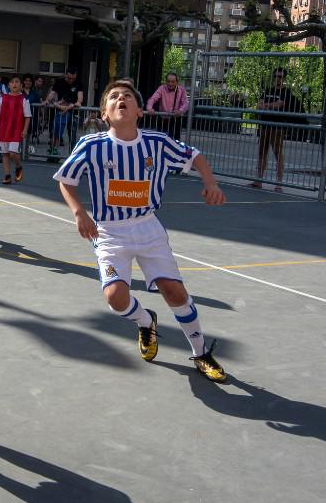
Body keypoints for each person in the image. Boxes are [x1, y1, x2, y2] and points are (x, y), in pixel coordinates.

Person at [53, 79, 228, 382]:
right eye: (113, 97)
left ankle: (200, 352)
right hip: (109, 232)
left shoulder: (157, 143)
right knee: (115, 297)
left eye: (127, 96)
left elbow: (194, 156)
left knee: (174, 291)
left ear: (139, 111)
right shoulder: (91, 145)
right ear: (104, 114)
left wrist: (210, 183)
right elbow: (66, 180)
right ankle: (146, 321)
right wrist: (79, 212)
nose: (121, 99)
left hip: (148, 227)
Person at [251, 67, 292, 192]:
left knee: (277, 153)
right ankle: (259, 180)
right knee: (262, 153)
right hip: (265, 125)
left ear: (284, 78)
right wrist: (269, 106)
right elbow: (259, 105)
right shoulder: (268, 90)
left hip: (277, 126)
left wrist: (267, 105)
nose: (277, 79)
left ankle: (279, 183)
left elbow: (280, 104)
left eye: (280, 76)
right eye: (275, 76)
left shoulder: (286, 92)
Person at [0, 75, 32, 184]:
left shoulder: (24, 100)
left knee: (13, 153)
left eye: (17, 82)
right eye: (12, 82)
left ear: (21, 86)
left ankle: (18, 166)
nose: (14, 84)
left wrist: (25, 130)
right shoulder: (3, 98)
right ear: (9, 85)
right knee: (5, 154)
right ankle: (7, 176)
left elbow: (27, 117)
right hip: (4, 130)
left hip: (16, 131)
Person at [47, 68, 82, 155]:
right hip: (60, 111)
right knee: (56, 131)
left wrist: (77, 103)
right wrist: (47, 100)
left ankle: (73, 155)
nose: (71, 80)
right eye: (69, 78)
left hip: (73, 112)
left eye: (73, 78)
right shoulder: (59, 82)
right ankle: (53, 150)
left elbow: (80, 98)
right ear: (66, 75)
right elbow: (52, 93)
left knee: (72, 136)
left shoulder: (79, 83)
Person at [146, 72, 189, 141]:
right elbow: (153, 98)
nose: (170, 84)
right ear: (166, 81)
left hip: (175, 119)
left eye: (172, 82)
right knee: (160, 140)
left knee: (175, 141)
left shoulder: (181, 90)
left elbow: (186, 103)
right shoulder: (161, 88)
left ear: (177, 82)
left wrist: (180, 111)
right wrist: (149, 108)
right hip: (163, 119)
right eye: (168, 81)